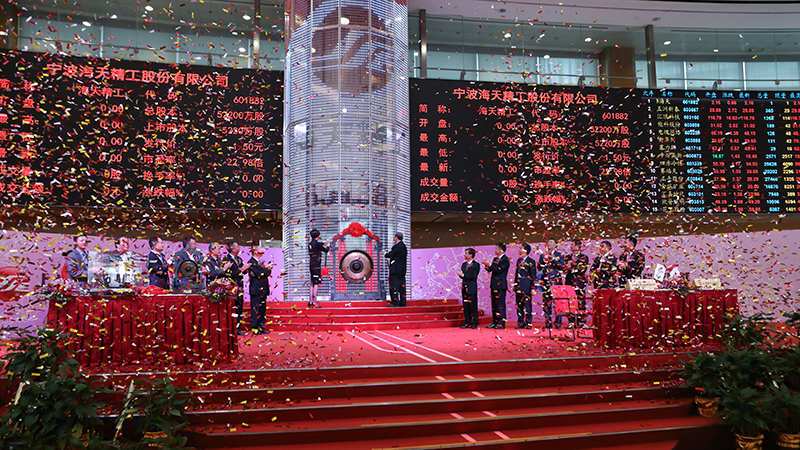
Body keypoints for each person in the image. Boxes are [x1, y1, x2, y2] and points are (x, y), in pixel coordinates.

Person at [224, 241, 250, 335]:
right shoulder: (226, 258)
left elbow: (243, 271)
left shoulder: (239, 259)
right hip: (231, 287)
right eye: (237, 246)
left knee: (239, 306)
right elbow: (227, 273)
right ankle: (231, 328)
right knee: (232, 307)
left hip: (240, 286)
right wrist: (241, 270)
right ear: (232, 248)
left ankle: (238, 327)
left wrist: (246, 268)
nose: (239, 248)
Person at [537, 239, 564, 329]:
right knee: (546, 303)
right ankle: (548, 322)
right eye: (548, 243)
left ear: (555, 245)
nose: (549, 245)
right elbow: (539, 267)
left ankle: (558, 322)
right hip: (545, 282)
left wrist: (553, 259)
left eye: (552, 243)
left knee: (558, 302)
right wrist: (543, 262)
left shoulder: (559, 255)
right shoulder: (542, 255)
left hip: (556, 282)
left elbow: (562, 266)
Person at [483, 243, 510, 329]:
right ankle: (495, 322)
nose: (495, 250)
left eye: (497, 249)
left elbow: (499, 270)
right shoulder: (495, 259)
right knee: (494, 304)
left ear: (501, 250)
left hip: (501, 285)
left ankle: (501, 323)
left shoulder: (505, 259)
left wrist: (490, 265)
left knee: (500, 304)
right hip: (494, 284)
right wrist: (487, 266)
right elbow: (491, 270)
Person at [564, 239, 590, 325]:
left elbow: (582, 269)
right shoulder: (567, 257)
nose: (571, 246)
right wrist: (567, 266)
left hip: (579, 283)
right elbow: (564, 268)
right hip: (569, 282)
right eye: (571, 245)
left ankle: (581, 322)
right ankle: (571, 322)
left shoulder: (584, 257)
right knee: (570, 302)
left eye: (573, 245)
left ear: (578, 246)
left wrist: (572, 264)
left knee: (581, 301)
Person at [247, 244, 272, 334]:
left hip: (263, 289)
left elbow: (263, 273)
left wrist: (266, 269)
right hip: (256, 289)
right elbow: (260, 274)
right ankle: (255, 328)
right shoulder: (251, 262)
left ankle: (261, 327)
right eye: (260, 249)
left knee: (262, 310)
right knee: (255, 309)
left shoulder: (260, 262)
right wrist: (268, 269)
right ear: (255, 251)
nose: (263, 251)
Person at [514, 243, 536, 329]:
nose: (519, 250)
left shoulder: (531, 261)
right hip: (519, 285)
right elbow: (516, 274)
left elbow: (533, 275)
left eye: (521, 248)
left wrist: (533, 288)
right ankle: (520, 322)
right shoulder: (519, 260)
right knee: (519, 305)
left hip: (527, 286)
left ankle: (528, 323)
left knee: (527, 305)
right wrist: (515, 284)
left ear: (526, 250)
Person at [458, 247, 480, 328]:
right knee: (466, 305)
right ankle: (467, 322)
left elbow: (473, 276)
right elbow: (463, 276)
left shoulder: (476, 265)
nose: (465, 255)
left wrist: (463, 275)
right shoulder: (464, 264)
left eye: (466, 253)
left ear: (471, 255)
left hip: (472, 287)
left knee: (473, 305)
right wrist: (461, 276)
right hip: (465, 286)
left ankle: (474, 322)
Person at [307, 229, 329, 308]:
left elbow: (318, 246)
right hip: (316, 266)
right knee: (316, 283)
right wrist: (327, 245)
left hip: (311, 265)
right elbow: (326, 250)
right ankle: (314, 302)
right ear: (318, 236)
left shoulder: (309, 244)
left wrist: (323, 243)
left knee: (312, 283)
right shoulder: (317, 244)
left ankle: (310, 301)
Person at [385, 232, 408, 307]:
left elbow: (390, 254)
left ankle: (395, 302)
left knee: (393, 286)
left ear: (396, 237)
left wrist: (385, 254)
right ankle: (403, 302)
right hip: (402, 271)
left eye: (394, 237)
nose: (393, 238)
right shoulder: (404, 246)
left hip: (395, 271)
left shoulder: (397, 247)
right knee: (402, 287)